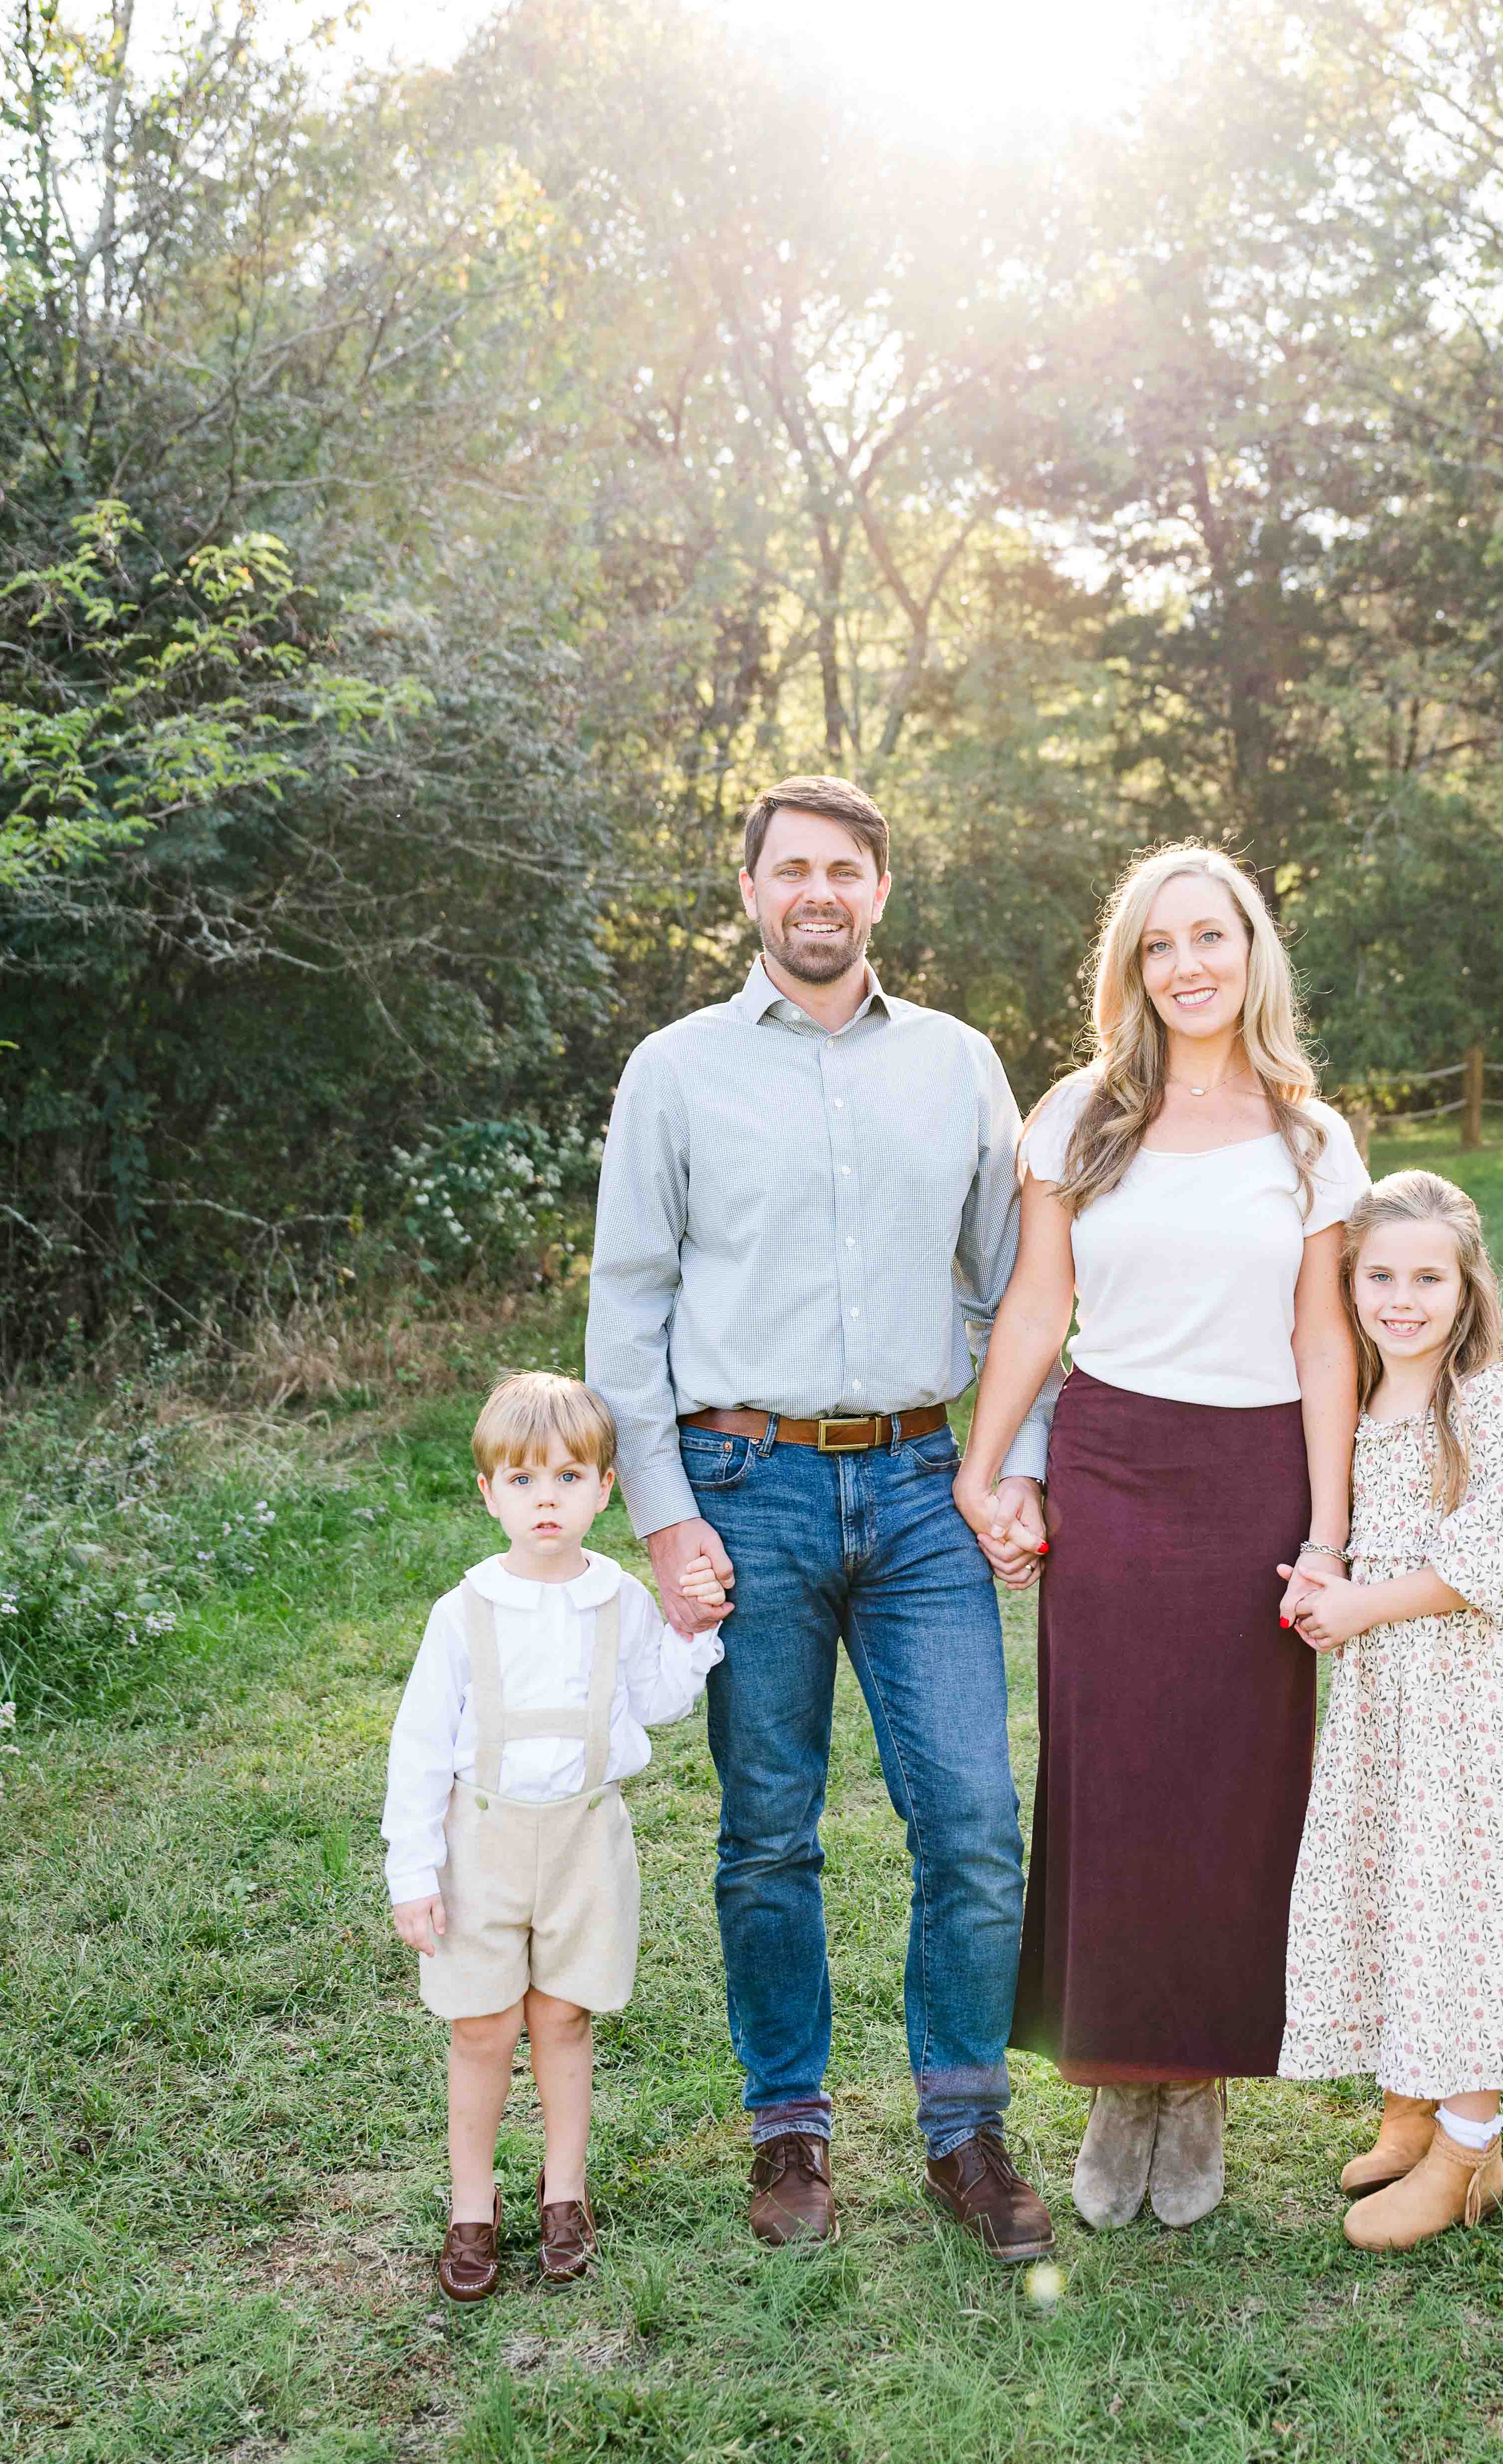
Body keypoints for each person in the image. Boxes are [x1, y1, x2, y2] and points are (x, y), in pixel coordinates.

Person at [585, 774, 1062, 2261]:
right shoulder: (674, 1070)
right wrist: (662, 1515)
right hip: (747, 1487)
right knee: (766, 1835)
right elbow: (629, 1306)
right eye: (790, 868)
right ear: (750, 893)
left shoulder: (960, 1063)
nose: (818, 893)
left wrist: (1017, 1456)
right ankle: (788, 2131)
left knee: (975, 1823)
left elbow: (1016, 1288)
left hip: (925, 1489)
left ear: (880, 893)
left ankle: (963, 2133)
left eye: (844, 869)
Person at [954, 844, 1367, 2230]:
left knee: (1237, 1787)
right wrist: (985, 1467)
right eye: (1161, 944)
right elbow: (1035, 1309)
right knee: (1114, 1781)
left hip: (1254, 1477)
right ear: (1129, 968)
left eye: (1215, 936)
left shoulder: (1312, 1136)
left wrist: (1329, 1534)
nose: (1190, 965)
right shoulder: (1081, 1115)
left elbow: (1324, 1342)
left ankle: (1197, 2087)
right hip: (1114, 1470)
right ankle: (1117, 2078)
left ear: (1255, 953)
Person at [1277, 1168, 1503, 2249]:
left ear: (1469, 1289)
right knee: (1399, 1885)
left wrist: (1361, 1603)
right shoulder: (1366, 1393)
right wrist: (1327, 1582)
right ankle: (1414, 2099)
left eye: (1429, 1277)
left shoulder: (1490, 1400)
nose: (1402, 1298)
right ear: (1350, 1283)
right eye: (1380, 1276)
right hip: (1394, 1703)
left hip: (1474, 1701)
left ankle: (1469, 2146)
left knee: (1462, 1904)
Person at [382, 1370, 724, 2303]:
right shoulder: (463, 1613)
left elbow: (654, 1699)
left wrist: (692, 1629)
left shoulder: (617, 1599)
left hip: (584, 1837)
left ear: (606, 1489)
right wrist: (413, 1871)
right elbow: (418, 1752)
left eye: (569, 1479)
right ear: (488, 1491)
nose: (547, 1501)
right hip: (480, 1839)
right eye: (524, 1481)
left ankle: (563, 2192)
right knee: (484, 2028)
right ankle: (472, 2202)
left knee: (563, 2017)